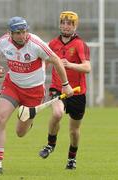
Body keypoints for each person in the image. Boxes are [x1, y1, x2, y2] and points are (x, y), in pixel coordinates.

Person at [0, 16, 74, 174]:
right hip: (12, 86)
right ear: (10, 33)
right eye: (17, 33)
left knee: (20, 133)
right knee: (0, 119)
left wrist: (65, 85)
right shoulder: (4, 42)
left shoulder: (35, 44)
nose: (22, 35)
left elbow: (56, 60)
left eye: (24, 31)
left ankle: (28, 122)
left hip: (34, 92)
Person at [39, 11, 91, 169]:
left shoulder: (80, 44)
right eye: (63, 23)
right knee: (57, 113)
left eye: (70, 23)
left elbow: (87, 67)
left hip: (77, 91)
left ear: (75, 26)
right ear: (59, 24)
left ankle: (71, 159)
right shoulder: (53, 44)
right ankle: (50, 144)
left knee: (74, 131)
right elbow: (43, 64)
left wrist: (69, 64)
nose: (66, 26)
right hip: (57, 87)